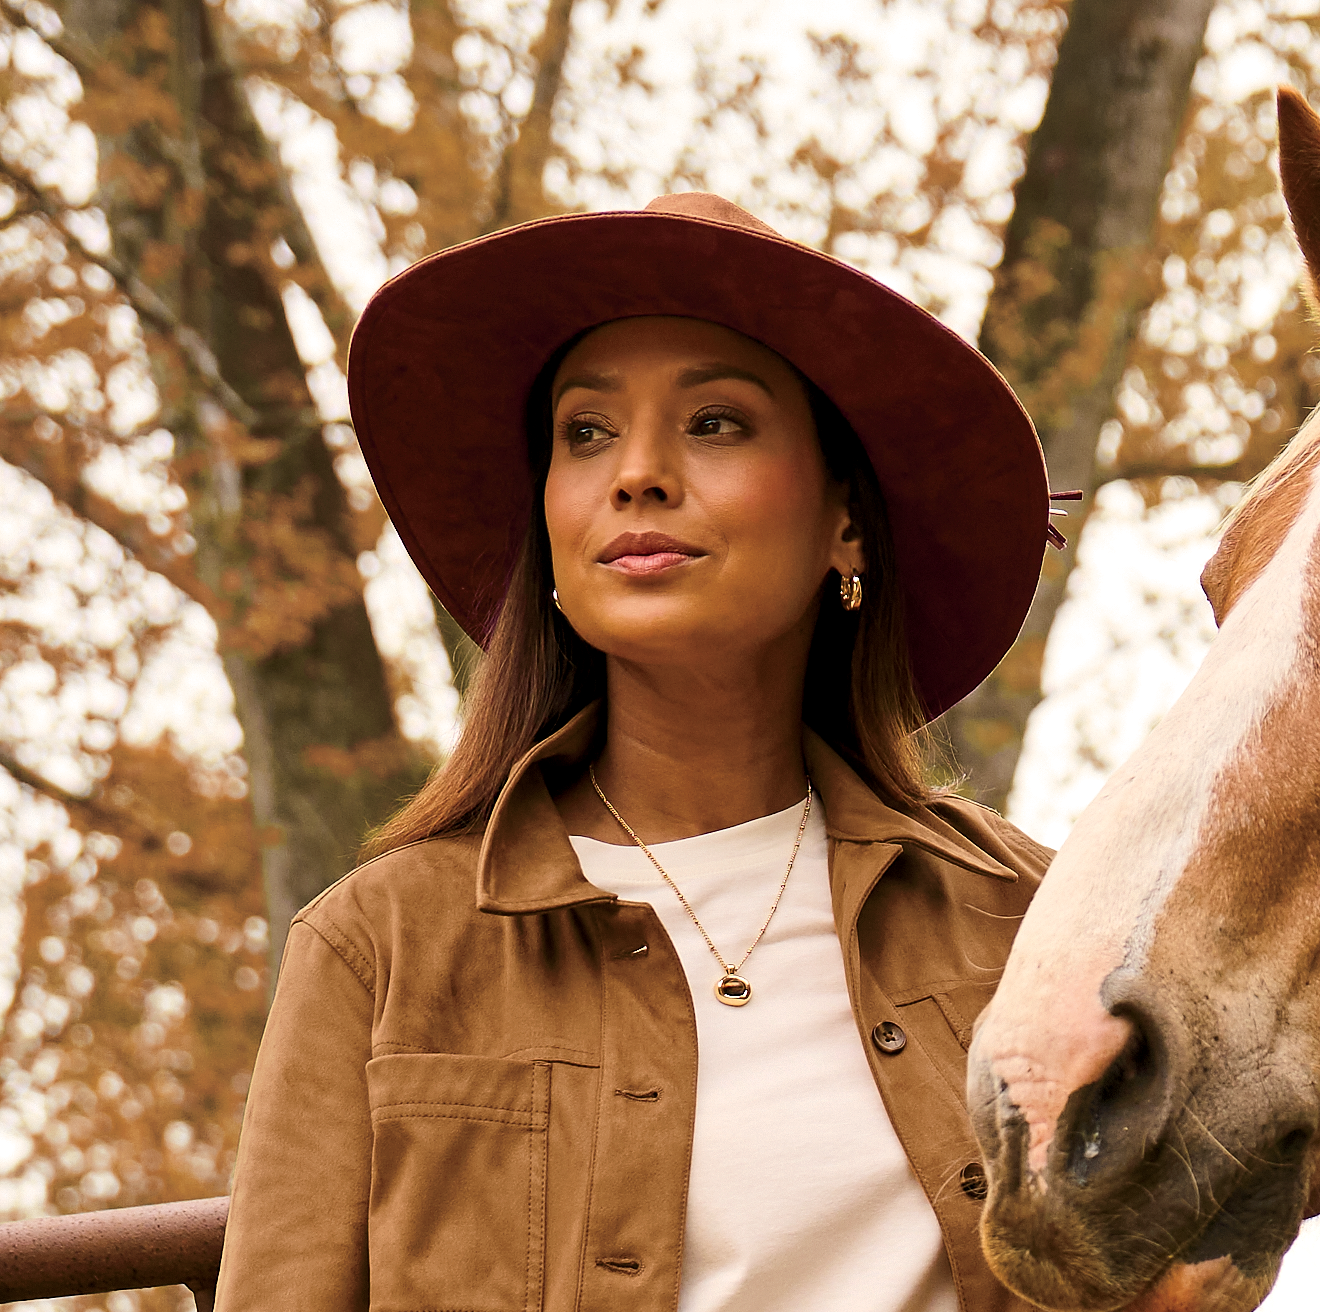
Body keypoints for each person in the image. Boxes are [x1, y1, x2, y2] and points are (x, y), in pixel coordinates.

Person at [214, 192, 1056, 1312]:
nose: (638, 473)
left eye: (715, 422)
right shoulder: (380, 950)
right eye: (587, 432)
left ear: (846, 521)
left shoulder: (1027, 915)